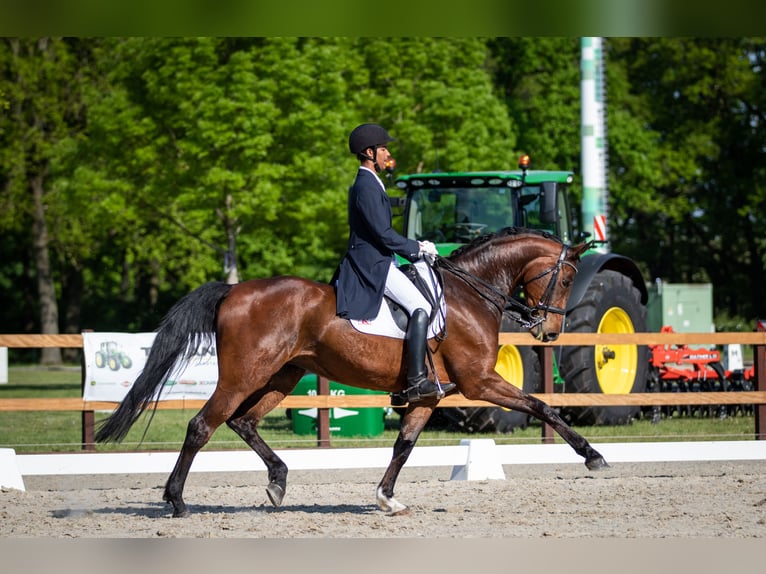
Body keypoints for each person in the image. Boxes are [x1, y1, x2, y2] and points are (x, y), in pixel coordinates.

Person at [334, 123, 456, 403]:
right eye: (383, 148)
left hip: (379, 258)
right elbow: (382, 233)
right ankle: (414, 382)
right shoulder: (365, 184)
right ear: (369, 151)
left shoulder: (372, 181)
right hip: (372, 263)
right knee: (422, 306)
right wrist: (418, 248)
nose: (387, 153)